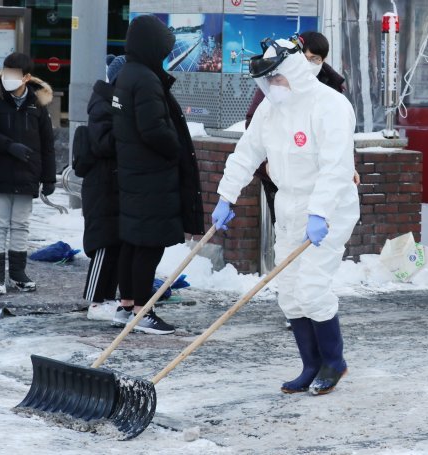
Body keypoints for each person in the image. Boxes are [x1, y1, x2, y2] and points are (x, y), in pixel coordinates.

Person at [214, 37, 359, 395]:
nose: (272, 87)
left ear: (293, 72)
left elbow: (336, 167)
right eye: (267, 82)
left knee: (312, 287)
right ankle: (310, 365)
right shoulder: (270, 109)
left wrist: (320, 212)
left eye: (276, 79)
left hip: (330, 208)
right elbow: (246, 152)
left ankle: (334, 362)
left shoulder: (330, 105)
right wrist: (225, 196)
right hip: (289, 205)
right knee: (290, 291)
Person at [111, 15, 205, 334]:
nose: (166, 57)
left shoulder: (127, 74)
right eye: (163, 50)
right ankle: (141, 310)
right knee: (149, 244)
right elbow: (153, 129)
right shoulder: (146, 79)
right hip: (151, 176)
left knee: (133, 242)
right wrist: (175, 148)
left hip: (134, 172)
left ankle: (126, 306)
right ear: (151, 46)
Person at [245, 31, 356, 226]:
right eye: (305, 58)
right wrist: (268, 165)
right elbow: (254, 136)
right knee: (285, 243)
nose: (309, 64)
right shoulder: (276, 86)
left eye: (315, 59)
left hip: (321, 190)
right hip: (284, 185)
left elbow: (339, 142)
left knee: (319, 252)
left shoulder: (331, 94)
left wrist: (348, 165)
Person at [0, 52, 56, 295]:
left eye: (13, 73)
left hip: (27, 173)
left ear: (26, 77)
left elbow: (47, 144)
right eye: (6, 71)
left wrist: (49, 177)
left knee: (21, 224)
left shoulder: (37, 105)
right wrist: (9, 146)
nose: (7, 77)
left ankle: (17, 273)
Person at [82, 55, 126, 321]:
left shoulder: (114, 102)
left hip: (114, 183)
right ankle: (95, 300)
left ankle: (108, 297)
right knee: (103, 243)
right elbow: (102, 143)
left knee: (115, 243)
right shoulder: (103, 103)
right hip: (101, 184)